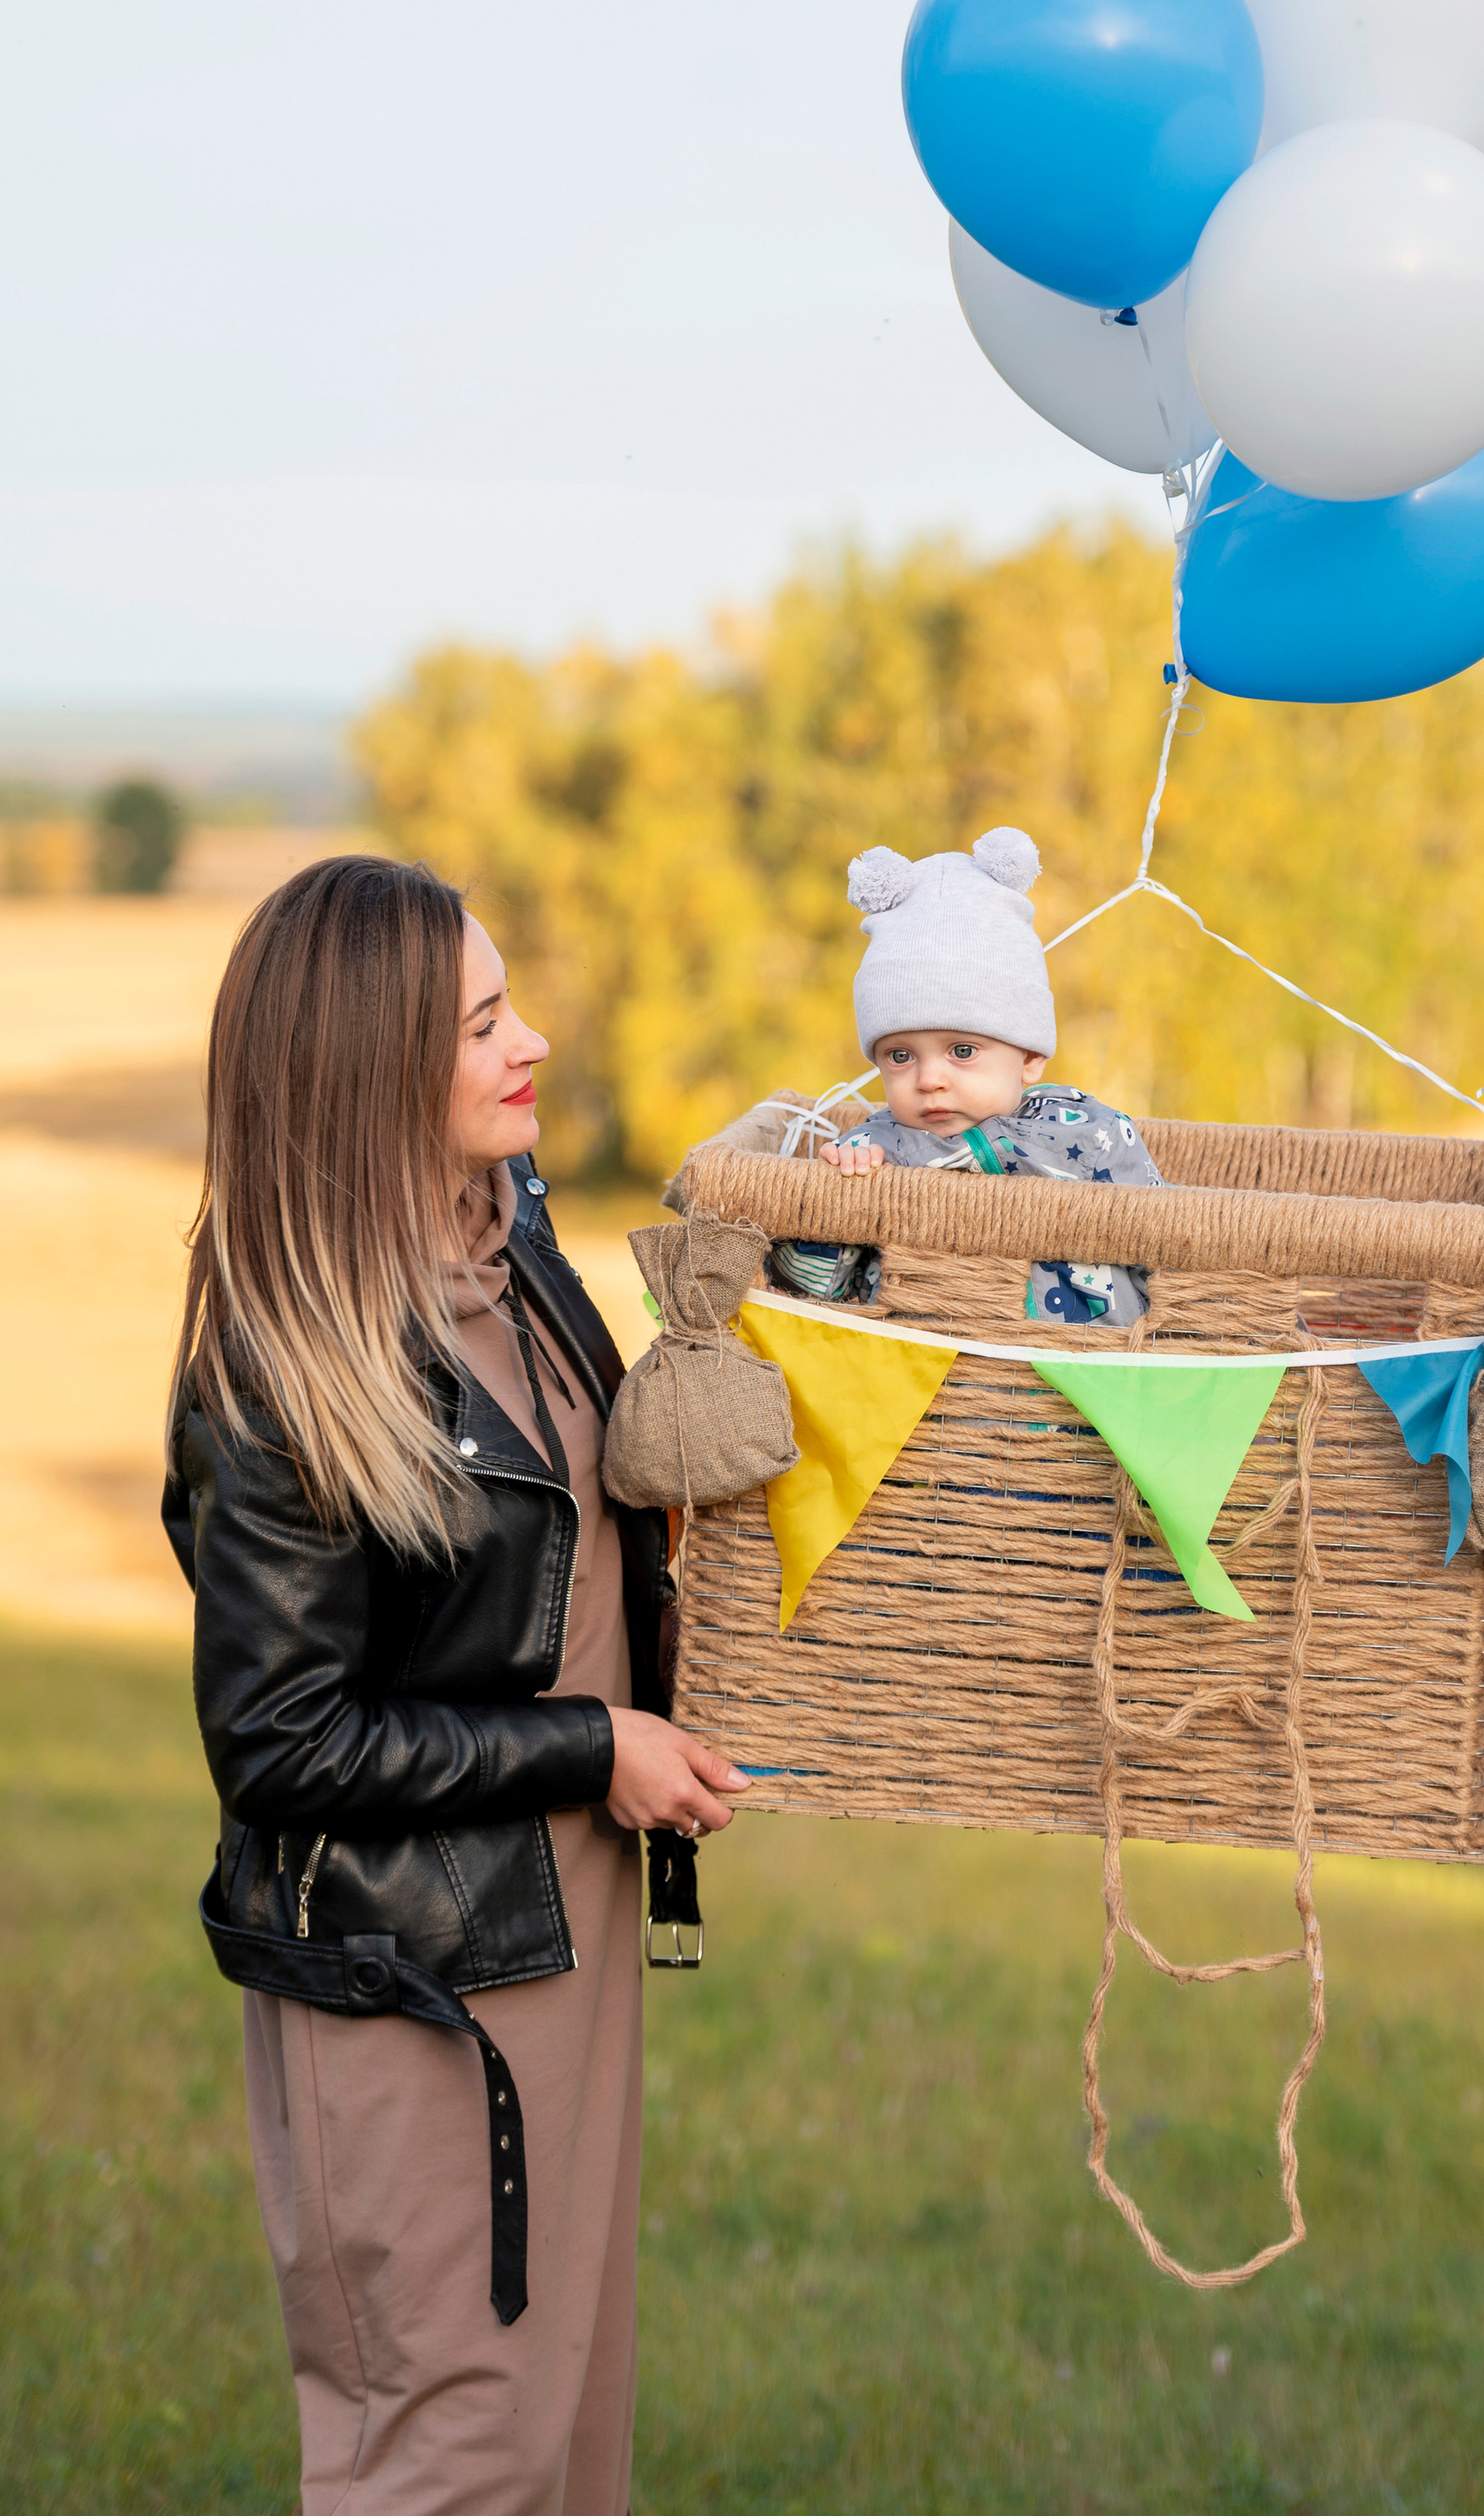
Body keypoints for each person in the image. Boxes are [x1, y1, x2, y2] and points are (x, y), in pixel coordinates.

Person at [162, 855, 745, 2516]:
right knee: (445, 2450)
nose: (533, 1040)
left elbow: (583, 1515)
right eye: (485, 1021)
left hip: (565, 1914)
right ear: (365, 1071)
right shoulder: (277, 1359)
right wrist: (589, 1745)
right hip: (412, 1975)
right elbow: (280, 1737)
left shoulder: (511, 1232)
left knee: (565, 2425)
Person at [771, 825, 1162, 1326]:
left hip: (1090, 1376)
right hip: (939, 1384)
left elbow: (1168, 1240)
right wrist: (835, 1200)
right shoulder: (870, 1147)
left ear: (1029, 1057)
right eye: (899, 1056)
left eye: (962, 1050)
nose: (929, 1079)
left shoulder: (1086, 1128)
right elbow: (809, 1293)